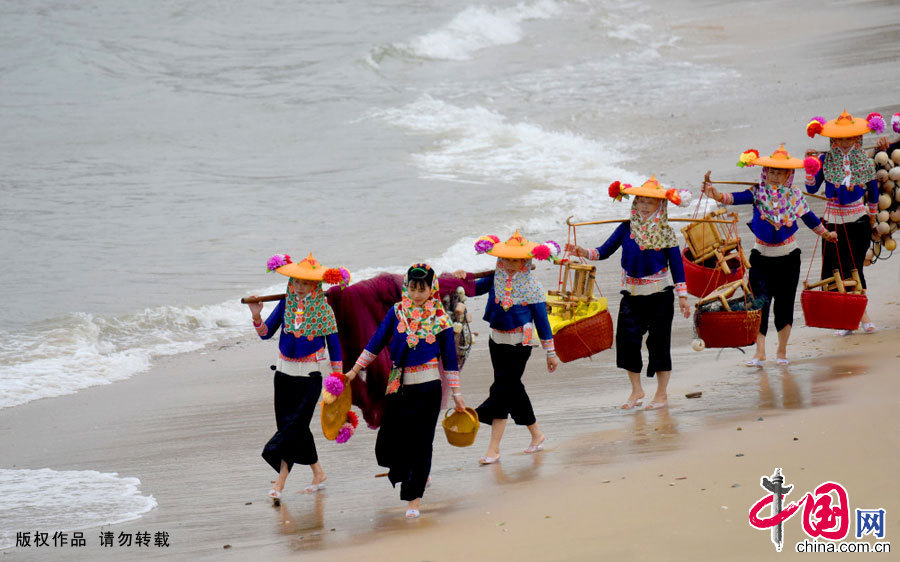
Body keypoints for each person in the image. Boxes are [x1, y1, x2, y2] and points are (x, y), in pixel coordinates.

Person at [344, 264, 464, 519]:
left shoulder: (440, 317)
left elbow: (450, 357)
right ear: (406, 288)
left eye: (423, 289)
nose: (417, 294)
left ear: (432, 289)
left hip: (429, 386)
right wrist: (354, 371)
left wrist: (456, 393)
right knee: (392, 440)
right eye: (412, 288)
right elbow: (375, 343)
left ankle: (414, 498)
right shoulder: (397, 312)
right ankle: (413, 473)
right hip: (399, 386)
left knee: (422, 443)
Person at [702, 146, 837, 366]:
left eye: (779, 173)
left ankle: (782, 352)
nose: (774, 177)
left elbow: (810, 219)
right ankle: (760, 352)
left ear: (787, 175)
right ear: (765, 173)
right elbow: (732, 198)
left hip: (789, 258)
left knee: (783, 306)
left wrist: (827, 234)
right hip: (761, 258)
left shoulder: (795, 196)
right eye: (771, 172)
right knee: (759, 305)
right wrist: (715, 194)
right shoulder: (757, 193)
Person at [566, 176, 691, 410]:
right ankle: (637, 390)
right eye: (640, 201)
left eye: (649, 203)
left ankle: (661, 394)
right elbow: (604, 251)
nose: (643, 206)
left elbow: (677, 266)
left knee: (659, 344)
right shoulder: (626, 228)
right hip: (632, 296)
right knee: (626, 342)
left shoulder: (666, 232)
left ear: (660, 206)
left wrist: (683, 297)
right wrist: (581, 250)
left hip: (660, 295)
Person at [247, 253, 347, 503]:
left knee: (293, 429)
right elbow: (265, 333)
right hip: (282, 375)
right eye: (296, 282)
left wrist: (337, 382)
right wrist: (256, 314)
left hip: (309, 378)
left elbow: (335, 348)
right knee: (292, 428)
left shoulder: (325, 312)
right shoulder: (285, 304)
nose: (299, 287)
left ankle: (280, 483)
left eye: (305, 283)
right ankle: (319, 474)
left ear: (316, 285)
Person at [472, 231, 558, 465]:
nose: (510, 265)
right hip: (496, 341)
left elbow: (542, 322)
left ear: (526, 262)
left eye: (516, 260)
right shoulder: (495, 278)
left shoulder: (533, 287)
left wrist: (551, 353)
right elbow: (472, 289)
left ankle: (493, 448)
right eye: (506, 259)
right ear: (500, 259)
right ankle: (536, 434)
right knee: (513, 389)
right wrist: (456, 281)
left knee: (503, 389)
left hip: (521, 343)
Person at [804, 110, 882, 335]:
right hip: (833, 222)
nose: (845, 143)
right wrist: (810, 166)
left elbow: (873, 193)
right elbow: (811, 188)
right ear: (833, 139)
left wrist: (873, 217)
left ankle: (860, 314)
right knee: (836, 267)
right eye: (840, 138)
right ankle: (847, 318)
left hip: (858, 220)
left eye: (850, 138)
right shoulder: (824, 160)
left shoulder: (865, 162)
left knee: (854, 266)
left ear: (857, 139)